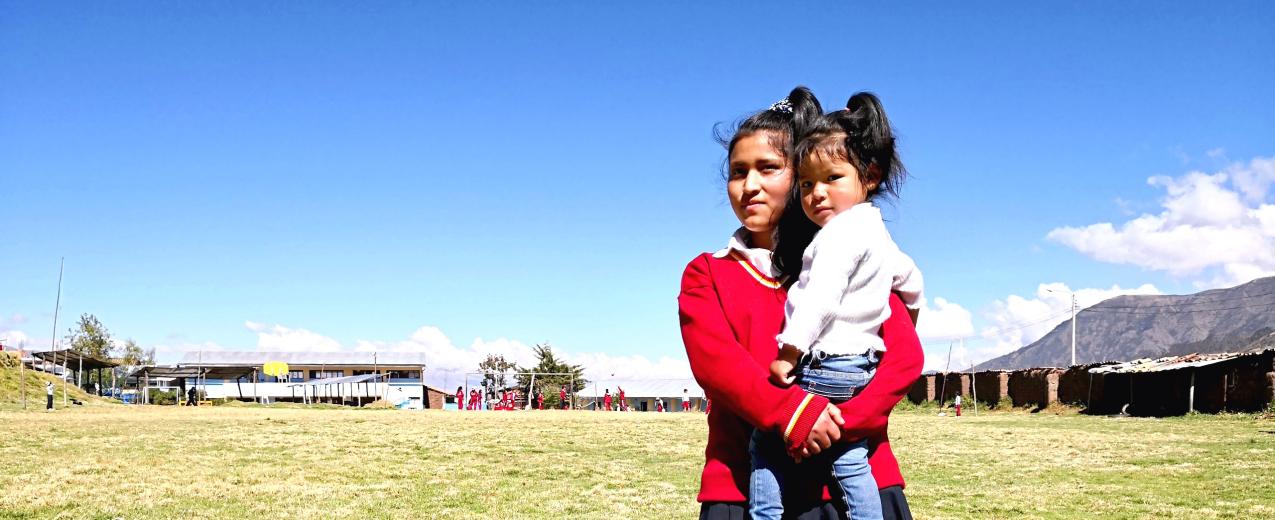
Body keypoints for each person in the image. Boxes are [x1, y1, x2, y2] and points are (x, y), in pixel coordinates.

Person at [680, 86, 923, 520]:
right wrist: (796, 414)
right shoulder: (708, 273)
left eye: (768, 168)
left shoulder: (855, 256)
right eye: (738, 172)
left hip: (853, 487)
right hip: (742, 487)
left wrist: (841, 424)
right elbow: (718, 368)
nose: (749, 185)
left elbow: (903, 357)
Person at [752, 91, 923, 520]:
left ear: (870, 176)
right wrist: (906, 320)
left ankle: (765, 515)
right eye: (807, 184)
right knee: (849, 456)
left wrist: (789, 352)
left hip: (824, 363)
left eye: (832, 179)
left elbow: (820, 299)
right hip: (861, 368)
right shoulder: (877, 233)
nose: (816, 194)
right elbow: (913, 282)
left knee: (766, 440)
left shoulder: (835, 236)